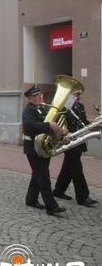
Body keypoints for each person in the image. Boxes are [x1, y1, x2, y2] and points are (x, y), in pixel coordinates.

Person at [22, 85, 66, 216]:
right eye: (37, 96)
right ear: (30, 99)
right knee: (43, 177)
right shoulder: (28, 110)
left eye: (41, 95)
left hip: (43, 147)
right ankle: (51, 206)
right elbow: (29, 126)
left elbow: (52, 125)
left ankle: (31, 199)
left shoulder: (42, 109)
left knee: (37, 175)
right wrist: (48, 125)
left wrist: (61, 132)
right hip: (32, 148)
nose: (41, 97)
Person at [53, 91, 98, 207]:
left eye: (78, 95)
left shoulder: (80, 106)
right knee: (76, 168)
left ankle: (58, 191)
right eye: (75, 95)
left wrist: (96, 125)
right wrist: (63, 136)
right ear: (68, 96)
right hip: (70, 140)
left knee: (68, 167)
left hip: (79, 140)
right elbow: (58, 124)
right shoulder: (63, 108)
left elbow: (83, 122)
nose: (78, 97)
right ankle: (82, 197)